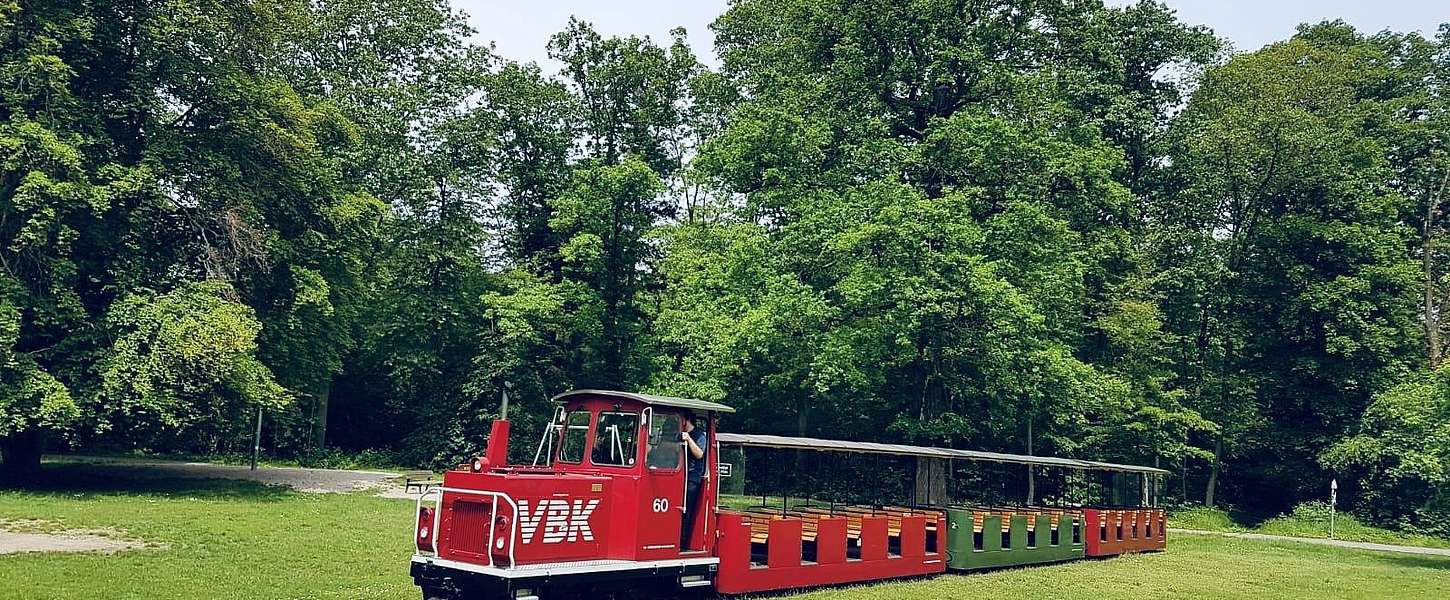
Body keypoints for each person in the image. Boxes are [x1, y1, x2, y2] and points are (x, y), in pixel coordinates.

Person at [679, 411, 707, 550]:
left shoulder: (700, 435)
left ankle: (683, 542)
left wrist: (688, 439)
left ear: (686, 419)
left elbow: (699, 454)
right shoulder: (676, 433)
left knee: (686, 510)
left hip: (692, 477)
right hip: (679, 476)